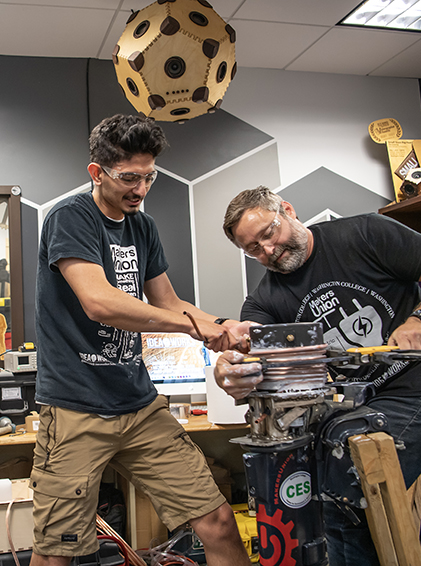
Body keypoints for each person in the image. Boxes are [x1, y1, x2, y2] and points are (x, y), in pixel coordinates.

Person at [214, 186, 421, 566]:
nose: (268, 251)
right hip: (352, 410)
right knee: (308, 483)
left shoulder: (366, 234)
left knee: (346, 484)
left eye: (269, 233)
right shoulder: (265, 300)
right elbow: (252, 351)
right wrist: (234, 371)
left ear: (287, 210)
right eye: (253, 249)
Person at [30, 114, 252, 566]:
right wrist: (197, 329)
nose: (140, 189)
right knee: (59, 553)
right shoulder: (70, 219)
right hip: (76, 408)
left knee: (218, 523)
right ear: (97, 172)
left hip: (139, 405)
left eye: (149, 177)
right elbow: (100, 302)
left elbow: (169, 301)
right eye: (129, 177)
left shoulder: (143, 228)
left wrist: (224, 324)